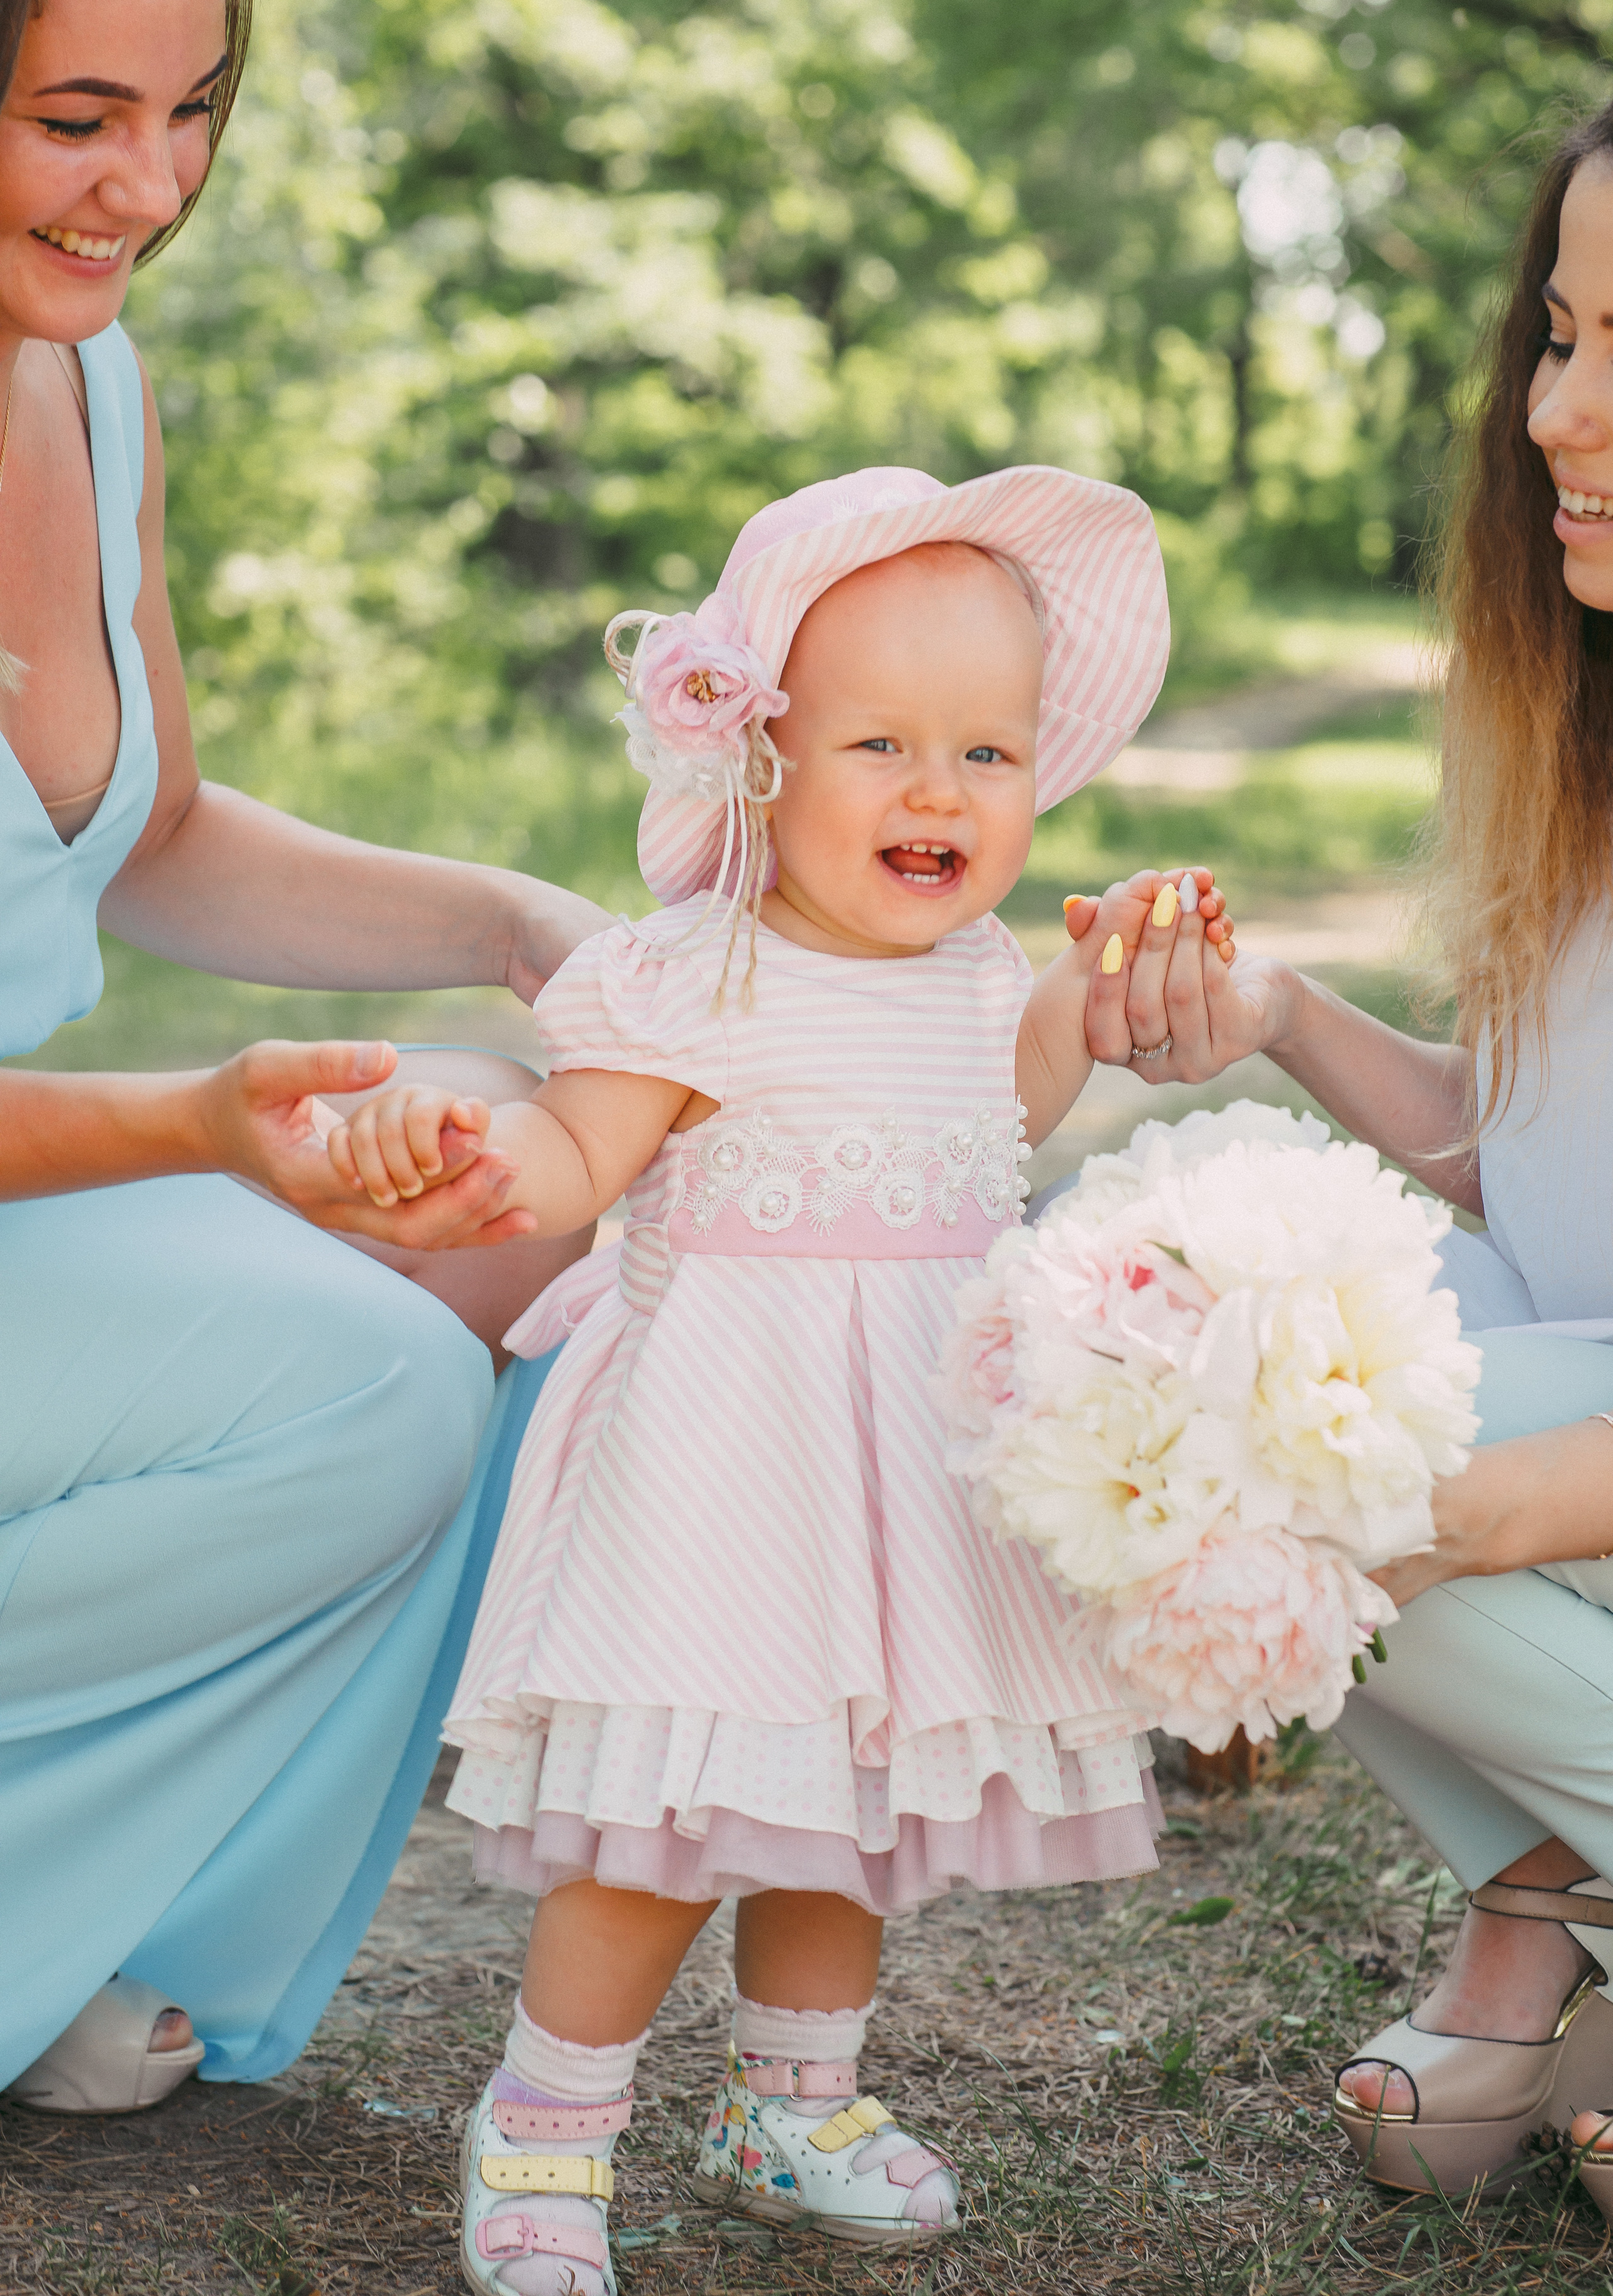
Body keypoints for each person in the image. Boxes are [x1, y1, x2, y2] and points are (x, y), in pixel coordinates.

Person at [326, 464, 1236, 2292]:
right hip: (718, 1468)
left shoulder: (977, 977)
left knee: (844, 1811)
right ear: (760, 756)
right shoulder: (690, 976)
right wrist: (490, 1160)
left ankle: (792, 2102)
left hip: (903, 1473)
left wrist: (1107, 976)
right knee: (663, 1828)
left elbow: (1008, 1108)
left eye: (988, 753)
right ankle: (549, 2123)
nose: (937, 791)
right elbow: (581, 1159)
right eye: (881, 744)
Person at [0, 0, 602, 2113]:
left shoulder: (90, 381)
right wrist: (199, 1126)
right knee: (377, 1389)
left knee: (521, 1196)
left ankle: (77, 1900)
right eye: (76, 116)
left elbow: (144, 830)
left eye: (194, 108)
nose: (149, 187)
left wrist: (523, 928)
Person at [1067, 98, 1613, 2214]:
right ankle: (1553, 1891)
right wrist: (1283, 1017)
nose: (1556, 413)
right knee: (1163, 1328)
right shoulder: (1587, 729)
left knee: (1273, 1454)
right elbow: (1531, 1157)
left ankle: (1549, 1906)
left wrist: (1409, 1517)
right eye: (1557, 335)